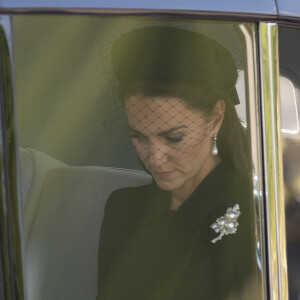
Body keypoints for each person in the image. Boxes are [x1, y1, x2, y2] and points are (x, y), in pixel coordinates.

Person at [97, 26, 257, 300]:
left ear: (215, 118)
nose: (155, 158)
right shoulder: (122, 208)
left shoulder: (257, 213)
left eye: (173, 137)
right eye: (139, 136)